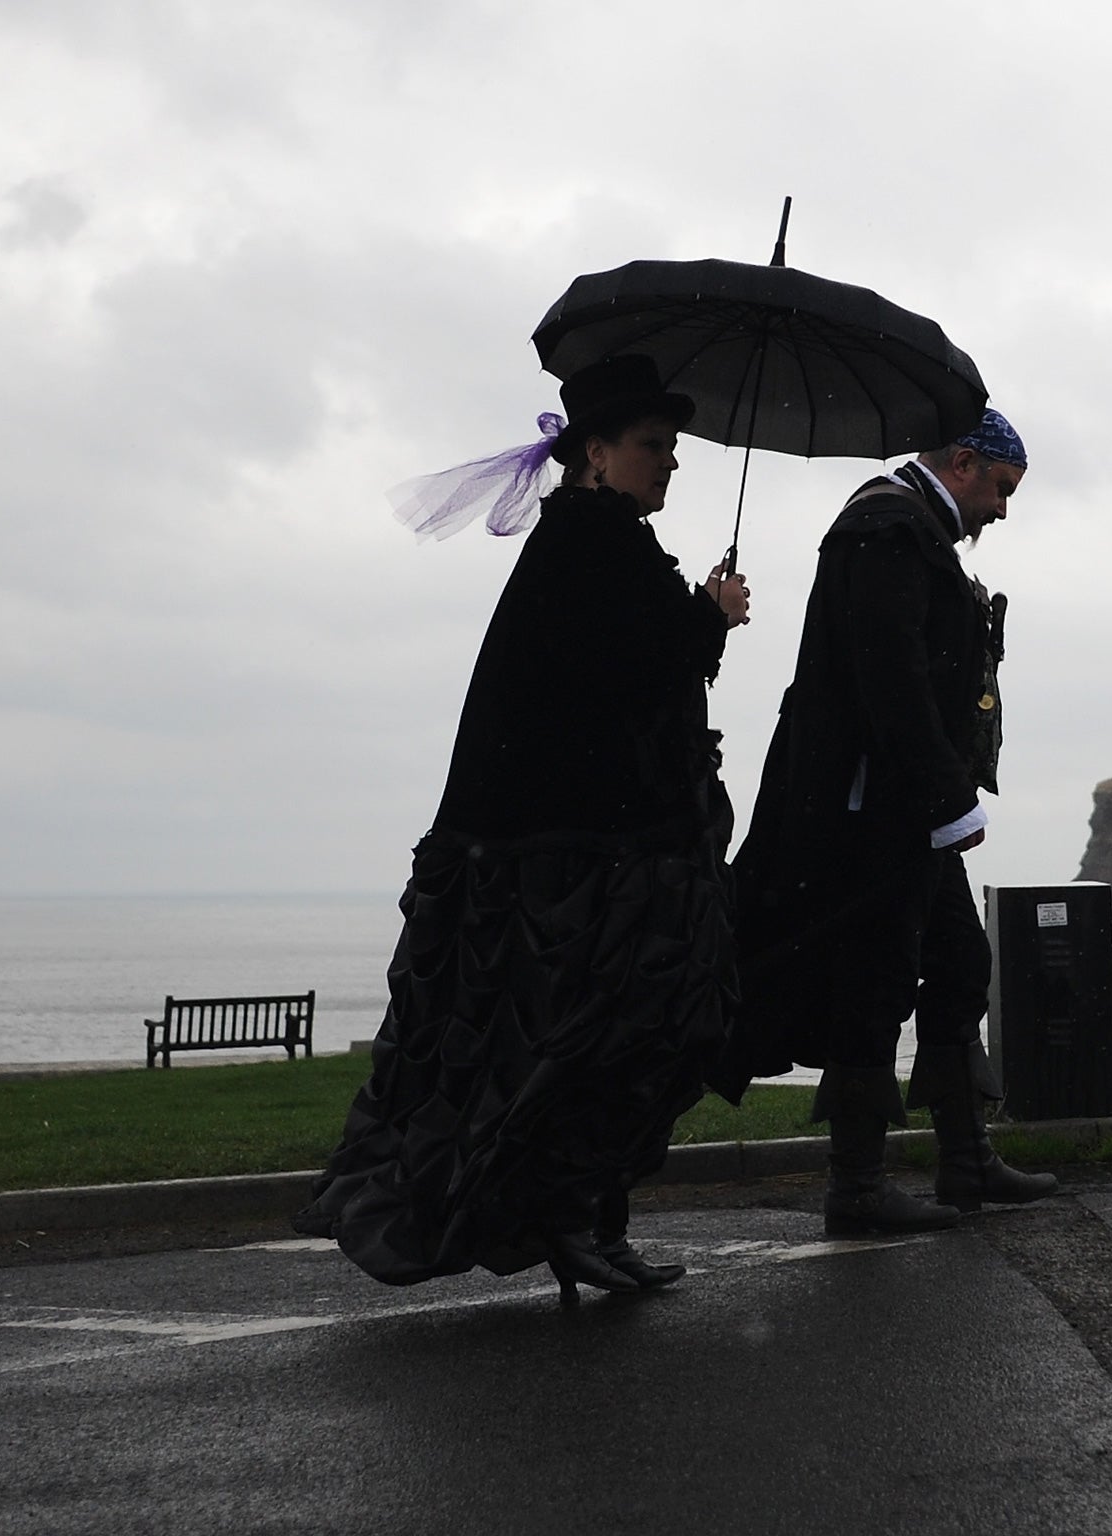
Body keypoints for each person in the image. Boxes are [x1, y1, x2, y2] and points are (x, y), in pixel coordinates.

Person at [294, 354, 751, 1300]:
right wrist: (710, 617)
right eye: (652, 447)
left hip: (587, 853)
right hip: (579, 866)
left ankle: (585, 1222)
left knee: (607, 1043)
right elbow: (632, 675)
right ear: (596, 452)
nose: (669, 464)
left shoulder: (599, 538)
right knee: (605, 1039)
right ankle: (578, 1224)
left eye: (671, 449)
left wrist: (697, 621)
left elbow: (622, 678)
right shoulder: (593, 542)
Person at [726, 409, 1056, 1235]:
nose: (1003, 512)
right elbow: (891, 680)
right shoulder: (886, 528)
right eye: (1003, 490)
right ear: (967, 462)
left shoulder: (910, 532)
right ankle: (858, 1186)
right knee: (872, 983)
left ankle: (965, 1160)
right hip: (869, 810)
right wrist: (950, 797)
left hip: (901, 805)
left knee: (957, 962)